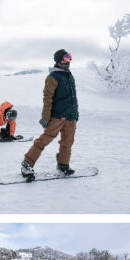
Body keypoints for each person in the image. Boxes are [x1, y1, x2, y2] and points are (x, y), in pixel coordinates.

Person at [21, 49, 77, 179]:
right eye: (65, 58)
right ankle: (27, 163)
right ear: (58, 61)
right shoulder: (52, 77)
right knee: (44, 140)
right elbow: (47, 98)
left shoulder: (70, 75)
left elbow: (73, 98)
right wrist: (45, 117)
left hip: (70, 117)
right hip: (57, 116)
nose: (68, 61)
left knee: (67, 142)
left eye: (69, 58)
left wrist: (75, 115)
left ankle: (63, 164)